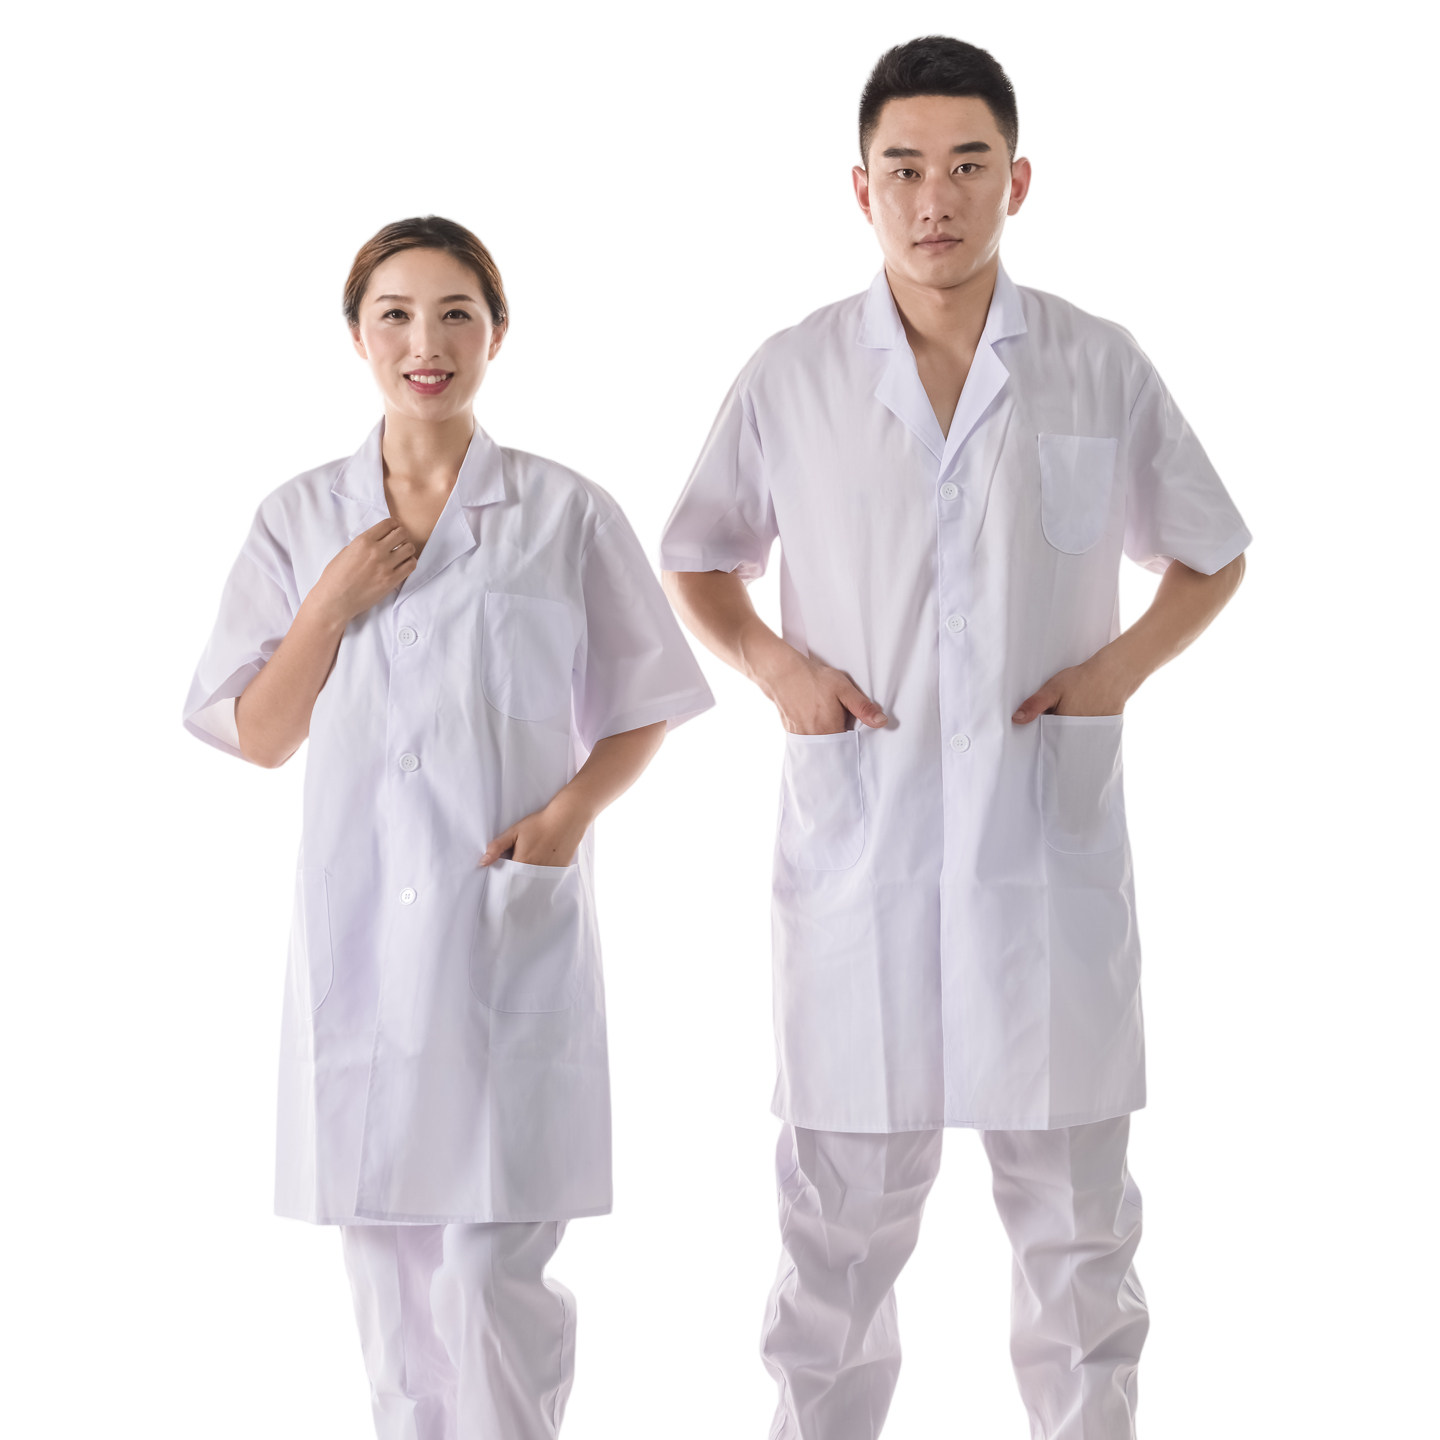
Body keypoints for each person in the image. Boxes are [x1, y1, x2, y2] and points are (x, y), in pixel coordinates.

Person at [659, 36, 1250, 1440]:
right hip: (859, 859)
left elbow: (1212, 550)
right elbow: (697, 553)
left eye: (969, 165)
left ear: (1017, 181)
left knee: (1080, 1248)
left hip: (1042, 854)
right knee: (834, 1248)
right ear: (859, 186)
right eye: (907, 168)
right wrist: (775, 668)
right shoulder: (795, 373)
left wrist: (1116, 672)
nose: (937, 198)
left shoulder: (1096, 366)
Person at [182, 214, 714, 1440]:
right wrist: (329, 603)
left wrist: (569, 816)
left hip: (502, 932)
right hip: (364, 945)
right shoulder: (299, 519)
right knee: (392, 1300)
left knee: (486, 1278)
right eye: (397, 316)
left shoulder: (564, 511)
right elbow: (257, 734)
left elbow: (648, 702)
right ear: (357, 337)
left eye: (455, 315)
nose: (426, 343)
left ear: (497, 332)